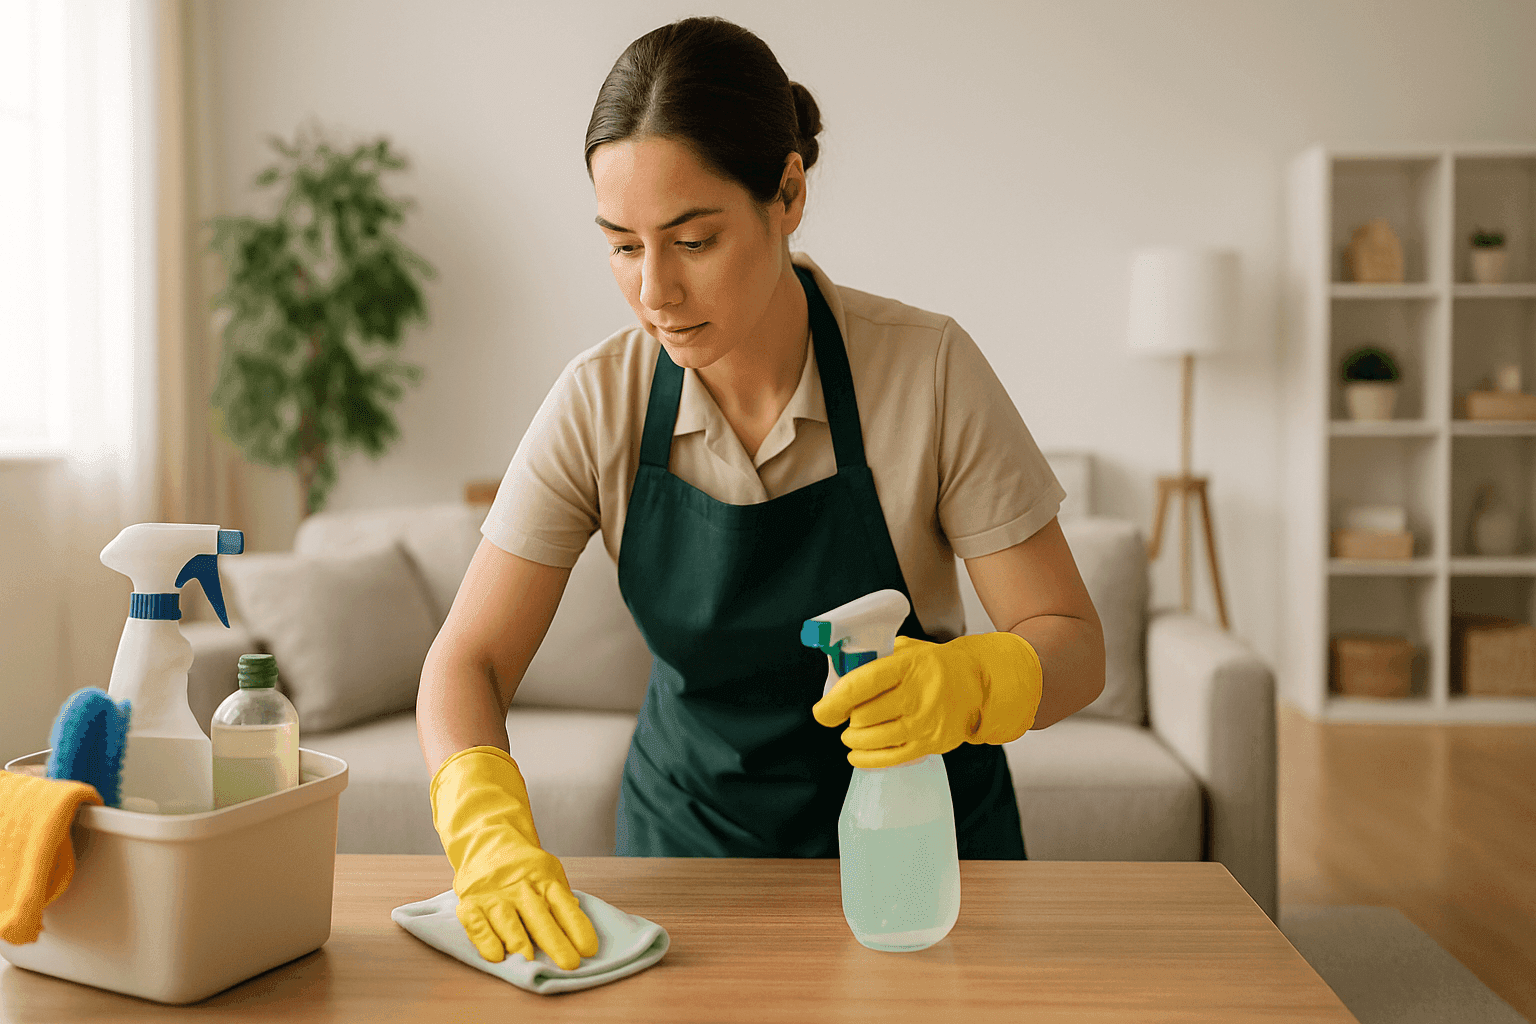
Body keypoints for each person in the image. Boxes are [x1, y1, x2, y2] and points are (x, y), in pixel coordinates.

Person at [417, 15, 1106, 972]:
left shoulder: (928, 370)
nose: (655, 291)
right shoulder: (599, 401)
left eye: (693, 240)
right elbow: (469, 661)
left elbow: (1074, 645)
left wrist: (970, 684)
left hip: (922, 863)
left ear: (788, 194)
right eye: (623, 247)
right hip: (692, 860)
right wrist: (485, 832)